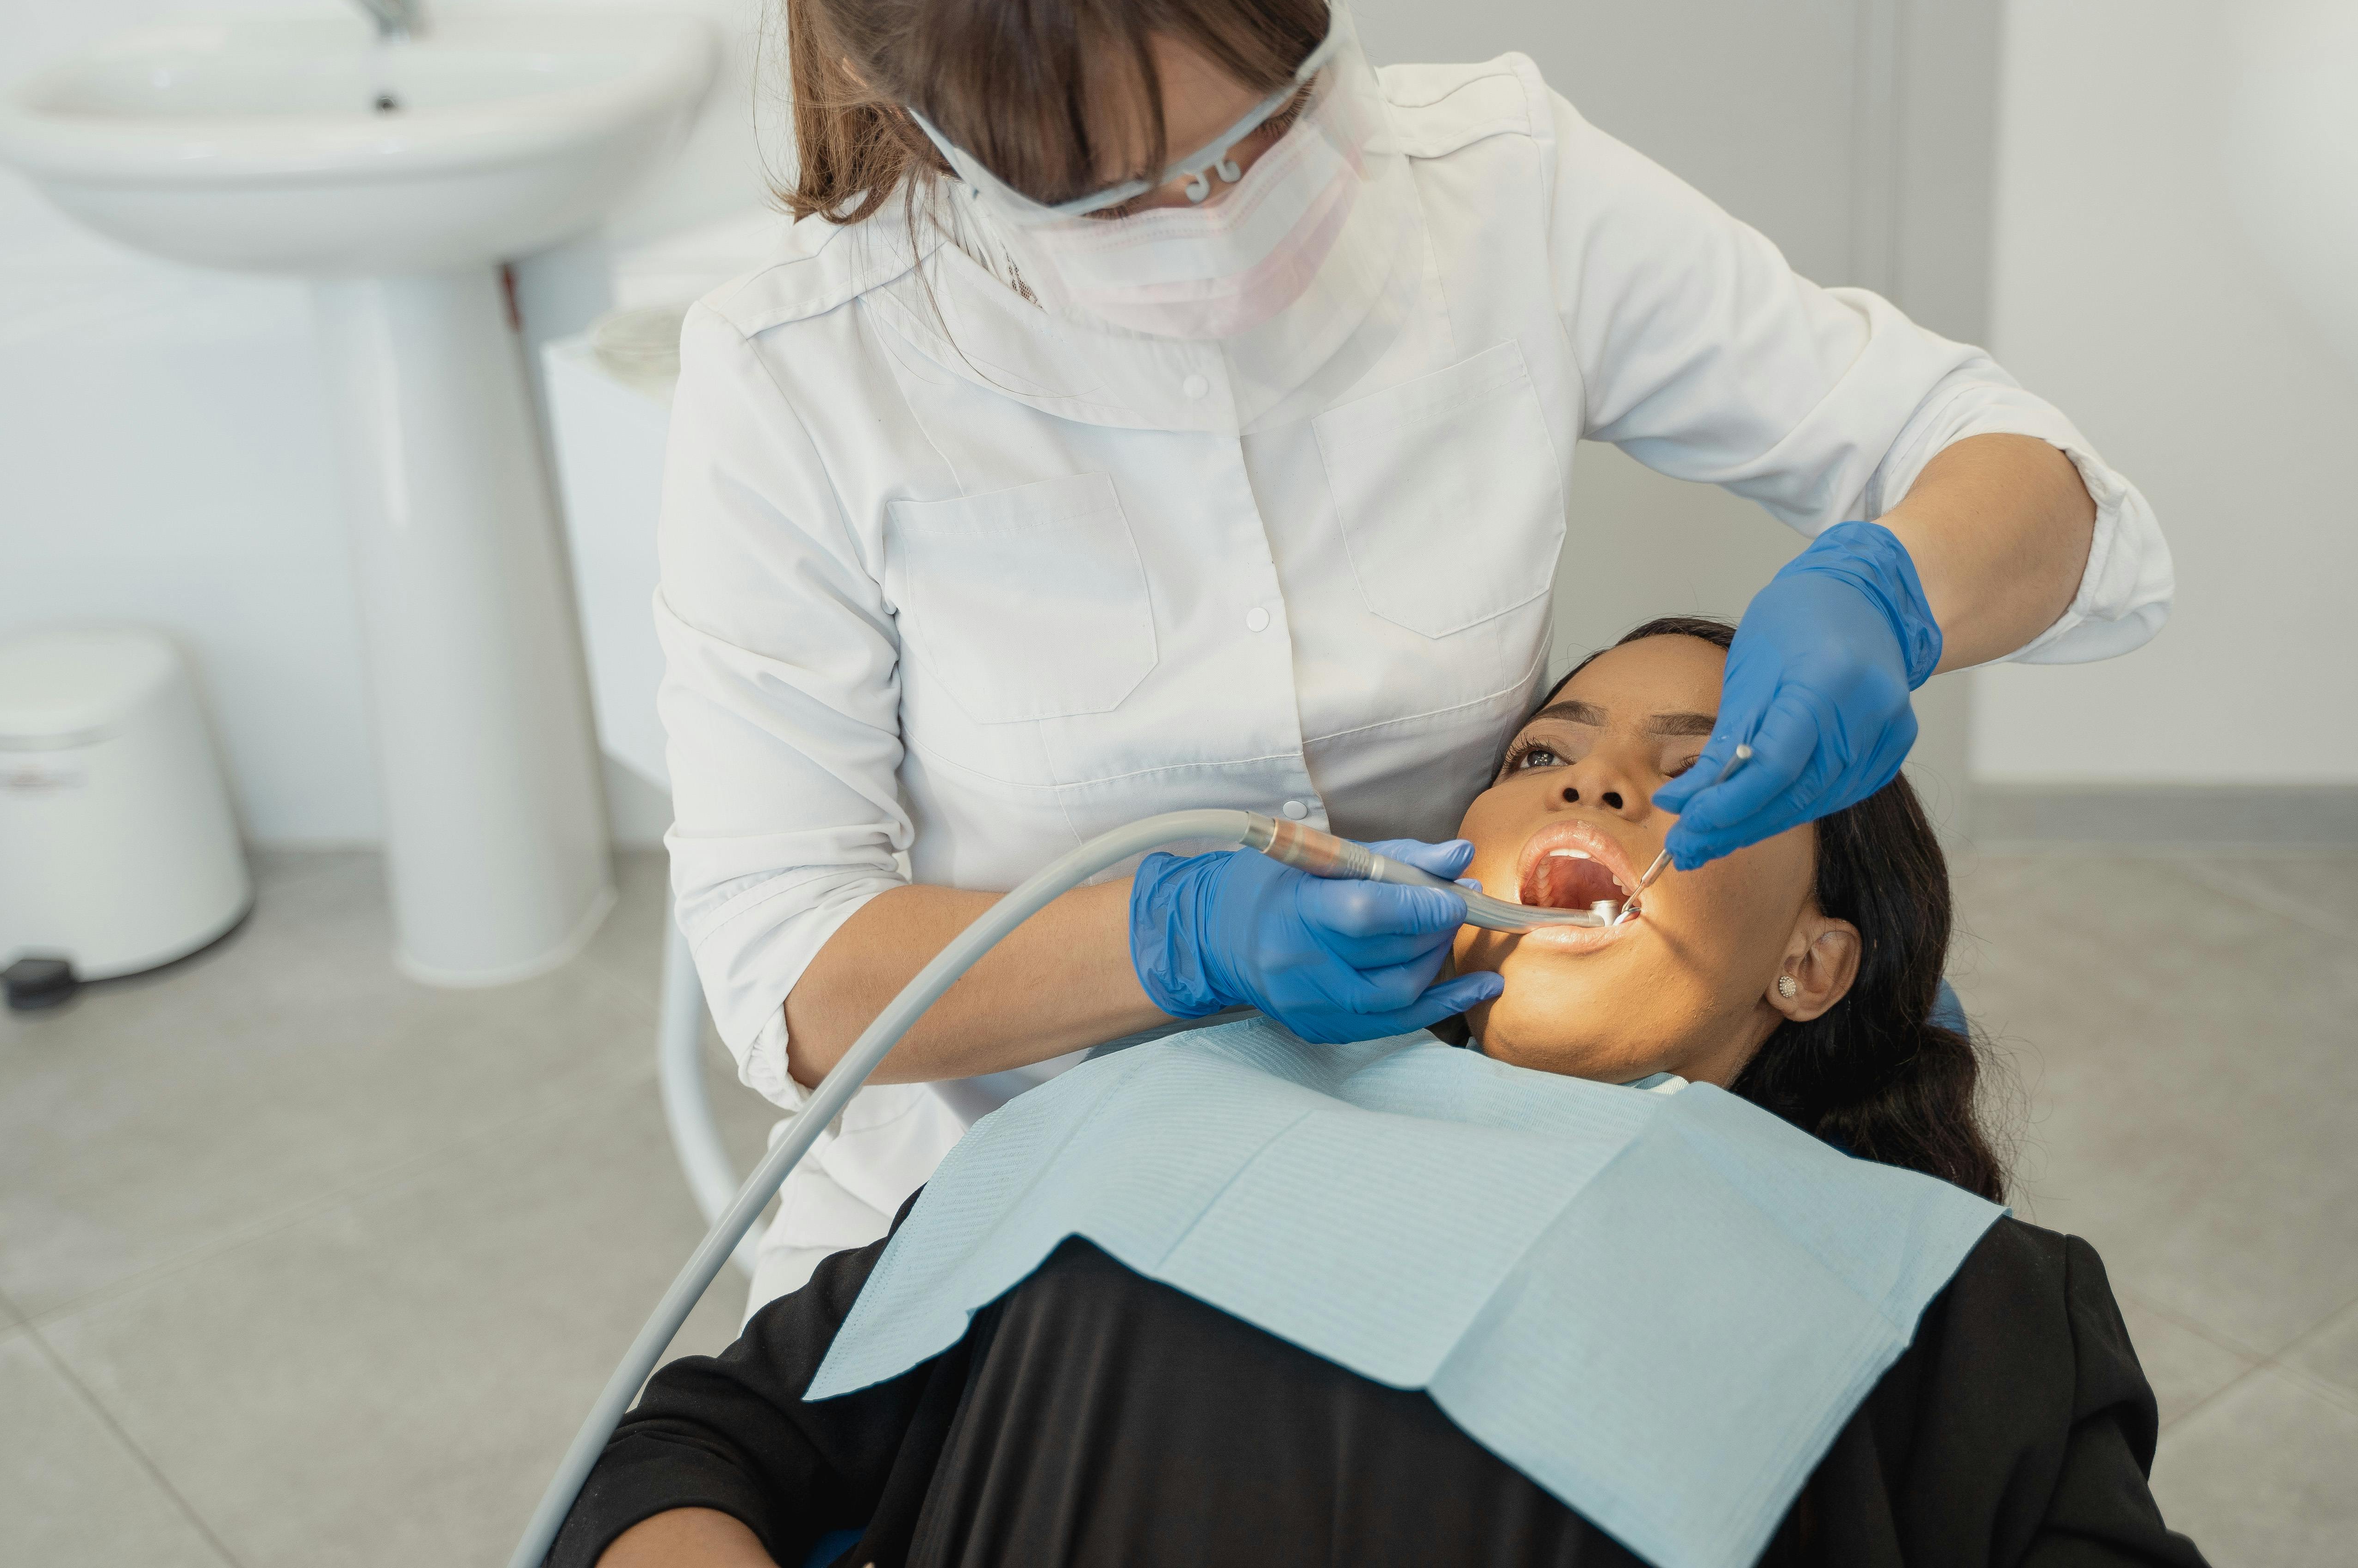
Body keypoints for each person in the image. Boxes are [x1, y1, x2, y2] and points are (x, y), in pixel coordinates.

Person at [659, 0, 2175, 1309]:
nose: (1211, 218)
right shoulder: (794, 379)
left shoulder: (1506, 193)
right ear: (915, 106)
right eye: (1105, 195)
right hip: (1001, 1206)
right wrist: (1170, 942)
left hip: (1478, 1161)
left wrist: (1899, 585)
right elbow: (795, 981)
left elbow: (2035, 481)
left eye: (1263, 126)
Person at [562, 620, 2209, 1568]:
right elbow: (694, 1453)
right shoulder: (1143, 1113)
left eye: (1698, 774)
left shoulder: (1956, 1301)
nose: (1598, 780)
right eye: (1546, 758)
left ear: (1815, 963)